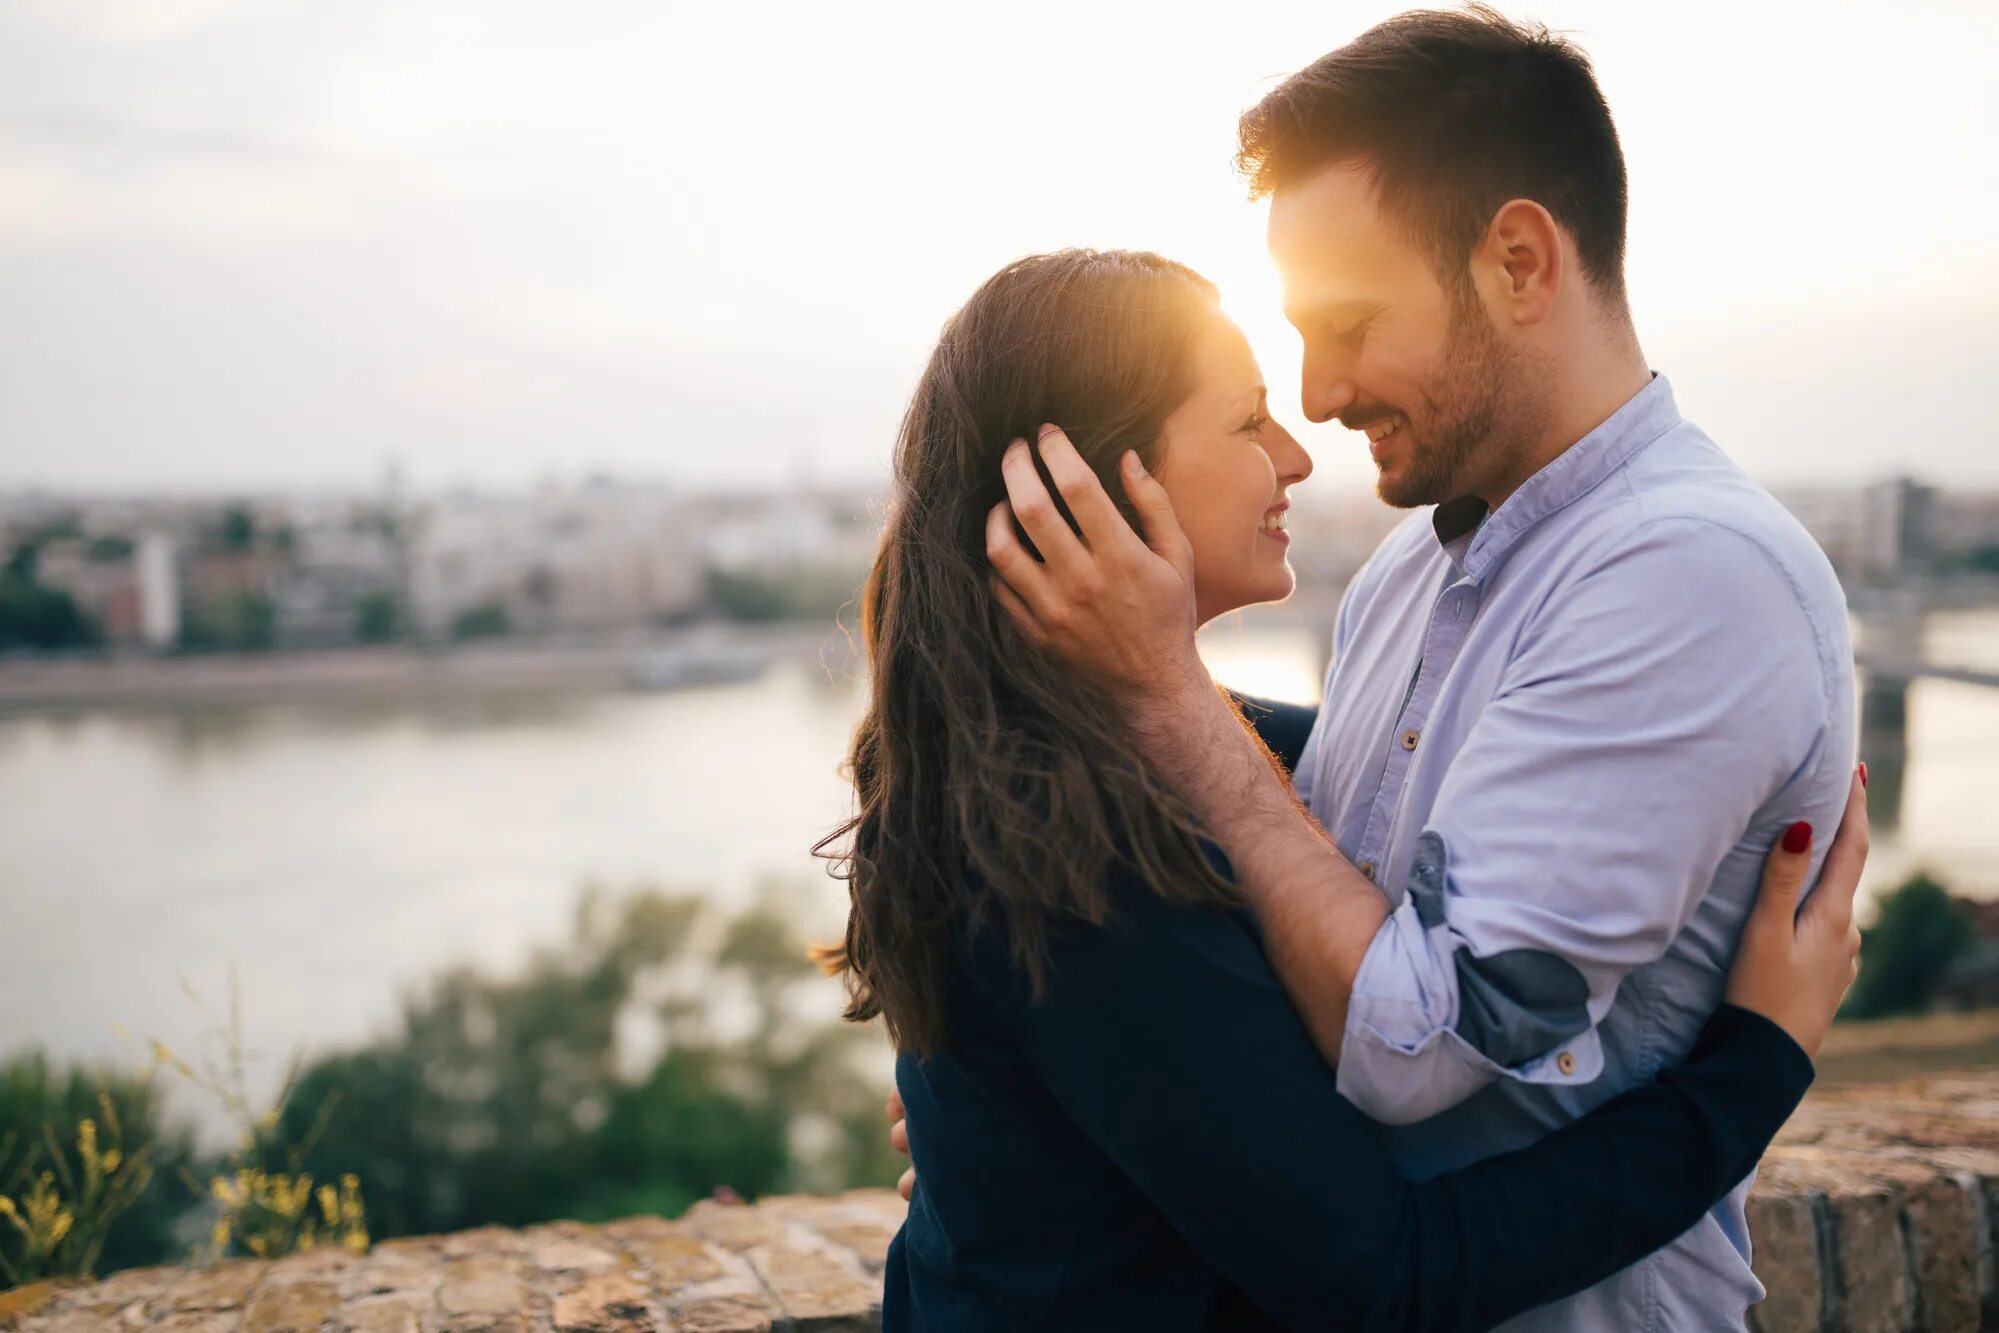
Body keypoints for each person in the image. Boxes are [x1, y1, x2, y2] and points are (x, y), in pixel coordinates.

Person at [977, 11, 1860, 1330]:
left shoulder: (1690, 576)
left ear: (1516, 260)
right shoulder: (1411, 568)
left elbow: (1409, 1042)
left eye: (1345, 324)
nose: (1318, 395)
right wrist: (1057, 1099)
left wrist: (1167, 693)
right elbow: (1315, 874)